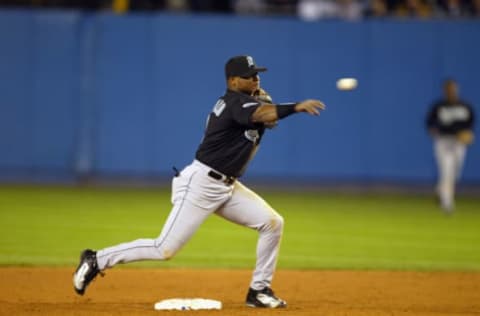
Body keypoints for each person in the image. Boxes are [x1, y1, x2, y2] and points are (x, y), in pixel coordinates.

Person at [73, 55, 325, 308]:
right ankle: (96, 259)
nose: (256, 79)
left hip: (227, 186)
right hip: (201, 184)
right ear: (234, 81)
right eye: (250, 76)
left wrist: (269, 112)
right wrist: (294, 107)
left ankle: (258, 291)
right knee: (164, 249)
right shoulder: (233, 103)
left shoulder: (245, 102)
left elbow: (265, 118)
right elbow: (262, 114)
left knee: (272, 224)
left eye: (257, 74)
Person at [426, 79, 475, 212]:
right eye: (448, 89)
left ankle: (440, 190)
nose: (451, 91)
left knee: (455, 173)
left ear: (456, 89)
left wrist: (468, 135)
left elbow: (470, 126)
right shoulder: (439, 106)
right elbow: (429, 124)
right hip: (443, 141)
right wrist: (435, 132)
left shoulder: (465, 106)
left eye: (453, 88)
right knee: (446, 171)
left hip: (459, 143)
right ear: (445, 90)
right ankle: (447, 204)